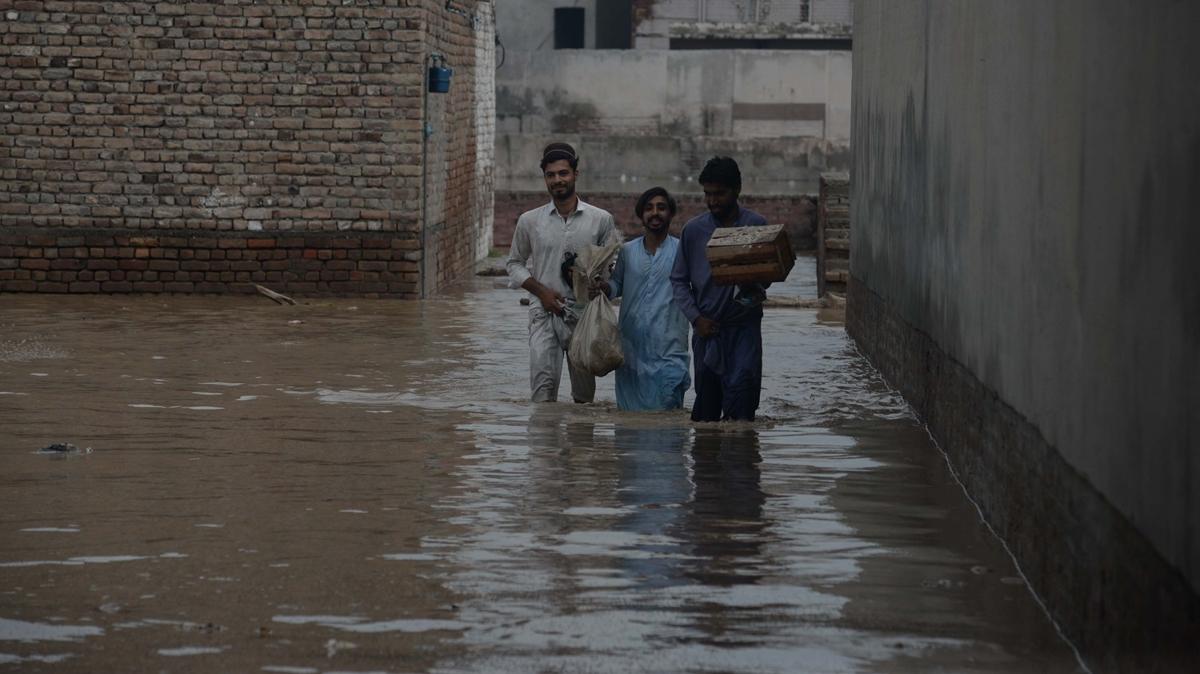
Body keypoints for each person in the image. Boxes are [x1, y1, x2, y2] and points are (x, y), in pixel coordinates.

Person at [507, 142, 617, 403]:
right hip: (543, 313)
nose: (558, 180)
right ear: (545, 178)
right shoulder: (530, 220)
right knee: (542, 393)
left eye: (563, 173)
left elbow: (612, 264)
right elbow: (514, 263)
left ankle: (580, 444)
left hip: (583, 314)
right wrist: (541, 292)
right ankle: (545, 444)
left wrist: (599, 283)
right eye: (551, 175)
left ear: (575, 175)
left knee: (583, 397)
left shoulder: (600, 219)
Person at [669, 156, 769, 422]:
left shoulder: (756, 227)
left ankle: (742, 459)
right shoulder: (694, 230)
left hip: (743, 329)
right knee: (706, 412)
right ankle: (706, 463)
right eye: (708, 194)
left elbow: (769, 274)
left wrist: (754, 283)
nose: (713, 201)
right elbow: (679, 280)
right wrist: (696, 318)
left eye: (720, 194)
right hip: (706, 331)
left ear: (737, 190)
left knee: (742, 407)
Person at [597, 187, 691, 411]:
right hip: (631, 352)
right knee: (630, 423)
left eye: (661, 208)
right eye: (648, 208)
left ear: (670, 213)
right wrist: (602, 288)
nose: (654, 213)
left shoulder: (682, 251)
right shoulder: (627, 251)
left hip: (670, 349)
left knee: (668, 417)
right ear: (641, 214)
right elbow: (616, 285)